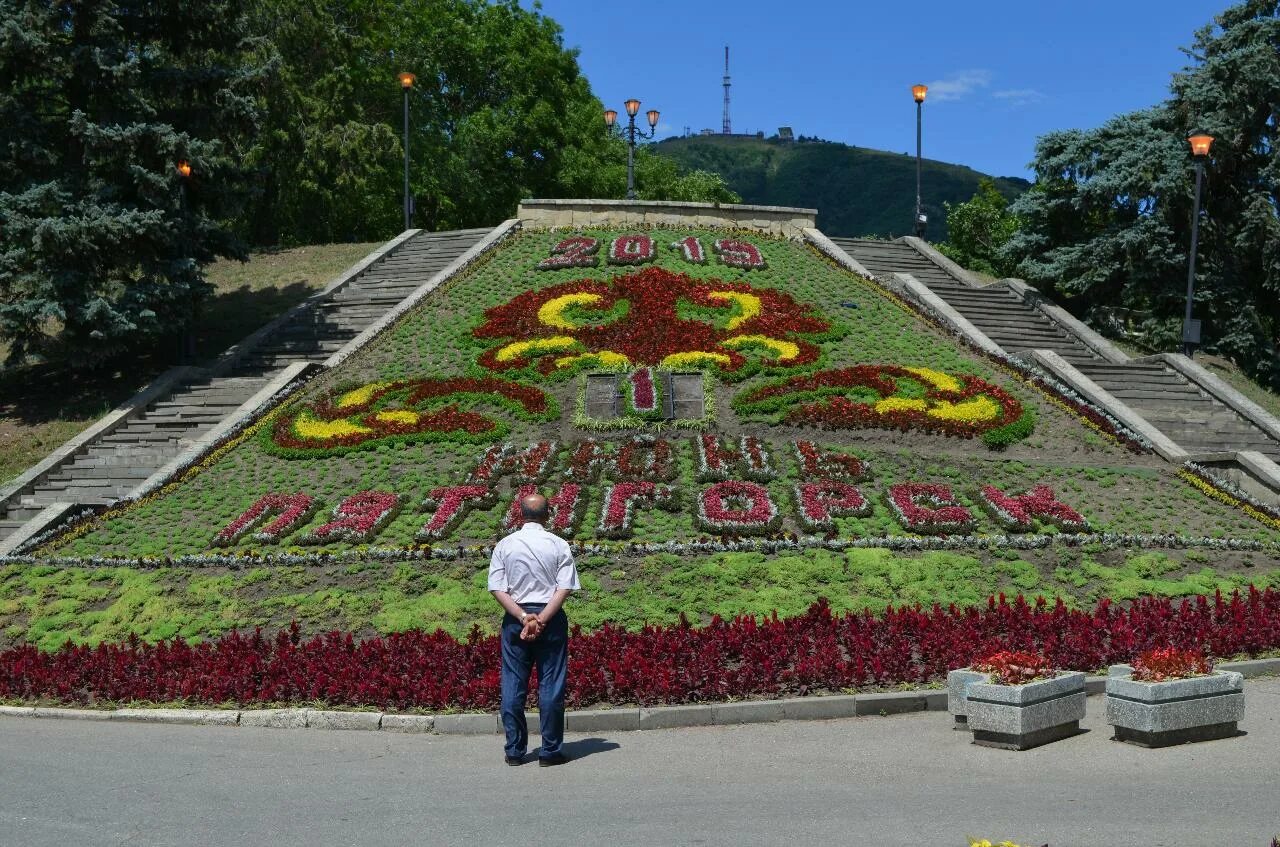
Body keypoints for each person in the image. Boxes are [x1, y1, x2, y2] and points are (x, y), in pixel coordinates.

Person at [488, 492, 580, 767]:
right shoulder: (558, 544)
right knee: (551, 682)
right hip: (549, 618)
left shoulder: (505, 544)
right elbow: (564, 587)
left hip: (515, 618)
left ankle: (515, 751)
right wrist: (541, 619)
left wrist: (521, 616)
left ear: (520, 514)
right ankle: (550, 751)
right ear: (547, 514)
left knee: (513, 682)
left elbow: (497, 587)